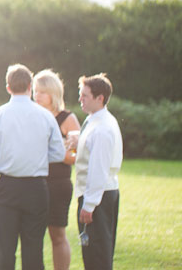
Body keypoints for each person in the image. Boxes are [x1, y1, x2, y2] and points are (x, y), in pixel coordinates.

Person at [0, 64, 66, 270]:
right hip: (36, 188)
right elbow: (59, 153)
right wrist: (37, 158)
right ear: (30, 86)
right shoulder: (46, 116)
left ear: (8, 87)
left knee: (4, 250)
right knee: (34, 249)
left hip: (5, 187)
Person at [73, 73, 123, 270]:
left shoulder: (102, 128)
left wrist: (89, 204)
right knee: (93, 252)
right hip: (97, 195)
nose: (80, 99)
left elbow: (98, 169)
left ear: (100, 98)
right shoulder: (94, 120)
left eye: (85, 95)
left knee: (97, 253)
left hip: (98, 197)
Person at [33, 69, 80, 270]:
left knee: (58, 236)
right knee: (32, 236)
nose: (37, 96)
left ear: (54, 93)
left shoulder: (68, 119)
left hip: (58, 184)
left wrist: (57, 149)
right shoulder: (31, 116)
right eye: (35, 91)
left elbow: (76, 157)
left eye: (42, 92)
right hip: (33, 182)